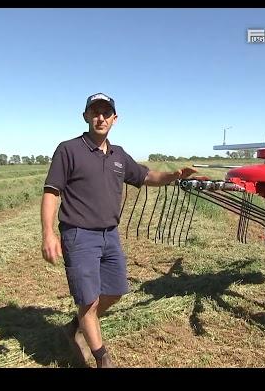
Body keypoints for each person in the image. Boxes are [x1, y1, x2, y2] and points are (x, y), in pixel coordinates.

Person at [41, 92, 196, 368]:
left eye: (106, 113)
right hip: (78, 234)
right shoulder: (69, 149)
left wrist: (173, 176)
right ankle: (102, 358)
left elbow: (147, 176)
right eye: (95, 112)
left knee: (115, 290)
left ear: (115, 118)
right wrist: (48, 233)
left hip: (109, 235)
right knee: (88, 300)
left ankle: (76, 325)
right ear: (86, 116)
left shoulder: (118, 155)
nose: (101, 117)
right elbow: (52, 192)